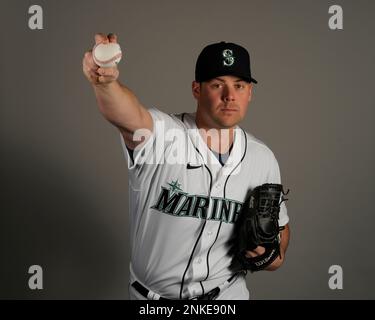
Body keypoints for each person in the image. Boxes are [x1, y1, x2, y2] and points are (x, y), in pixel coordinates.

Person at [82, 34, 290, 300]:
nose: (229, 96)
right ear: (197, 89)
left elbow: (281, 233)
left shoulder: (263, 159)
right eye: (217, 85)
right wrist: (107, 84)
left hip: (227, 296)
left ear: (250, 92)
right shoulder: (164, 136)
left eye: (239, 86)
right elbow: (126, 115)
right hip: (153, 300)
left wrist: (272, 252)